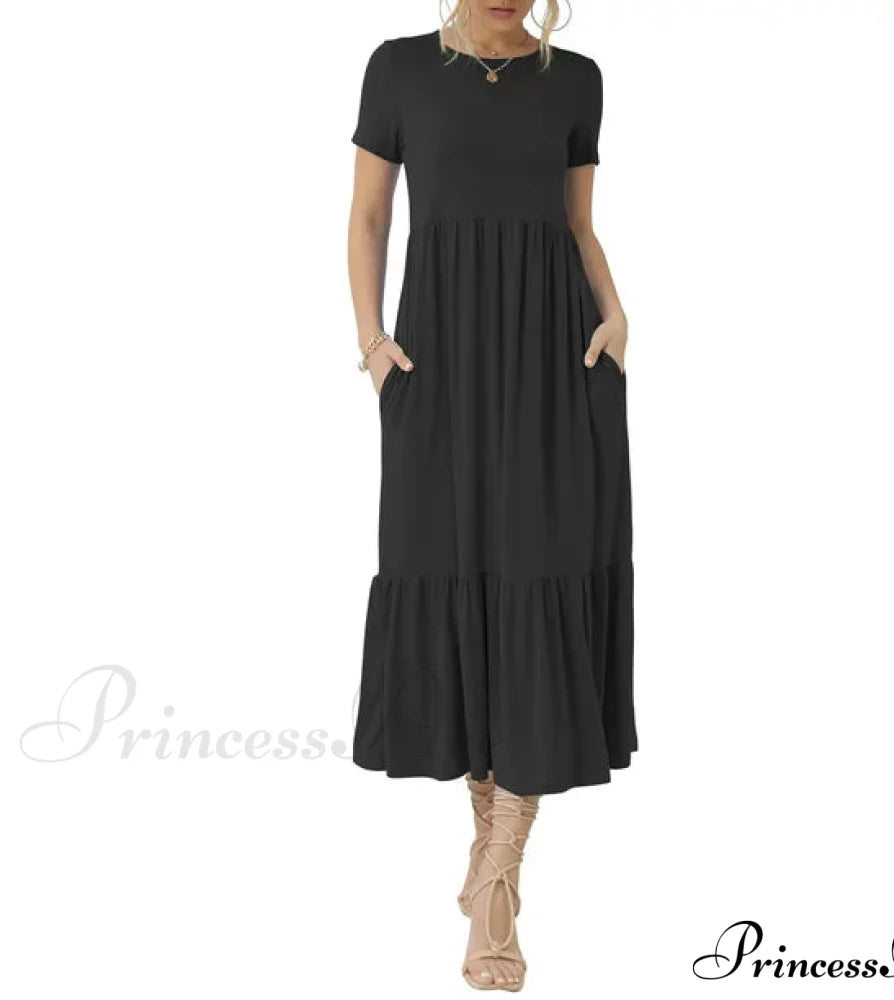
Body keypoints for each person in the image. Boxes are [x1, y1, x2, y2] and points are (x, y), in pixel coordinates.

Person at [347, 1, 636, 990]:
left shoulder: (577, 78)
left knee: (540, 576)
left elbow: (578, 223)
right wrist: (372, 345)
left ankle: (499, 877)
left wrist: (616, 315)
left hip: (560, 356)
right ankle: (489, 858)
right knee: (458, 571)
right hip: (436, 362)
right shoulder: (397, 68)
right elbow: (370, 215)